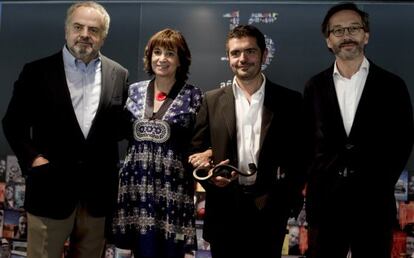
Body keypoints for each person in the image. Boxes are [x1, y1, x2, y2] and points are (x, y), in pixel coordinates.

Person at [2, 1, 128, 258]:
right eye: (78, 27)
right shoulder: (36, 72)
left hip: (97, 198)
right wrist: (35, 160)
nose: (84, 34)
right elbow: (13, 123)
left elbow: (119, 128)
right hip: (50, 192)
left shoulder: (119, 74)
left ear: (102, 37)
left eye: (93, 30)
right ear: (66, 31)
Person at [304, 3, 414, 258]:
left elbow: (403, 141)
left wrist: (377, 181)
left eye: (353, 28)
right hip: (325, 207)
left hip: (374, 205)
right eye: (338, 31)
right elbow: (305, 142)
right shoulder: (314, 87)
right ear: (328, 41)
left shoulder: (393, 86)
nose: (346, 36)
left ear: (366, 35)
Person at [190, 24, 306, 258]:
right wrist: (212, 174)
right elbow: (196, 151)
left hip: (270, 212)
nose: (242, 58)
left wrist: (286, 201)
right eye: (235, 53)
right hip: (224, 211)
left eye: (250, 51)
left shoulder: (290, 101)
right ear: (228, 58)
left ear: (264, 55)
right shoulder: (211, 100)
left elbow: (301, 156)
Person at [112, 28, 202, 258]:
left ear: (181, 60)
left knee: (171, 250)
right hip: (134, 186)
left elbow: (200, 141)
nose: (162, 59)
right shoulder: (133, 91)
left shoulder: (193, 96)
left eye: (170, 53)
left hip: (173, 187)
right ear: (149, 56)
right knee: (132, 249)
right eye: (157, 52)